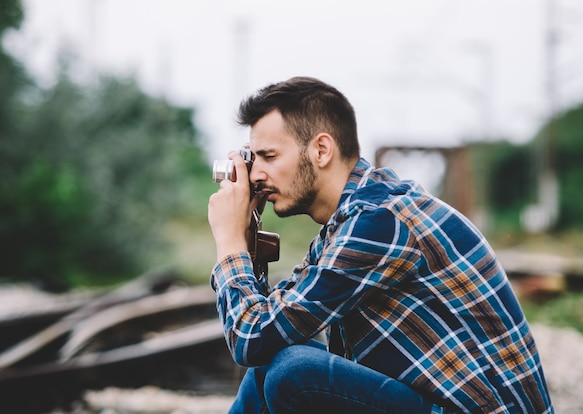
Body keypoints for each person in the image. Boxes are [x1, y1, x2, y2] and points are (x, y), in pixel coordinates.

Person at [207, 76, 553, 413]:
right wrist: (247, 236)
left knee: (293, 372)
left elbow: (250, 337)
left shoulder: (380, 222)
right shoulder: (353, 220)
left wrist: (229, 242)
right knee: (273, 365)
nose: (255, 175)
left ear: (321, 150)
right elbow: (273, 327)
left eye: (268, 156)